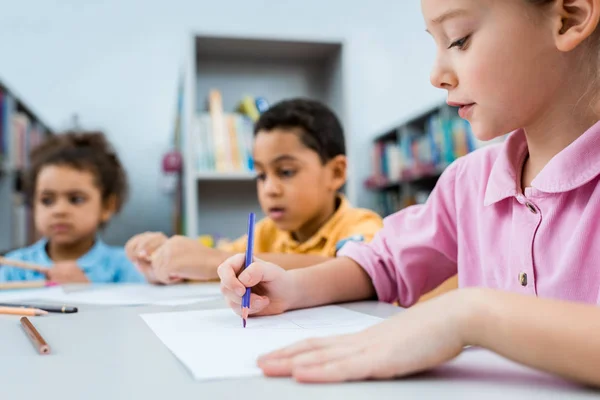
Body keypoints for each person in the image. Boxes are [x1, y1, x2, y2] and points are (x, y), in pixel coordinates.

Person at [218, 0, 600, 386]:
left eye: (458, 40)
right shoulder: (467, 181)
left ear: (569, 17)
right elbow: (383, 265)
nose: (436, 75)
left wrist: (469, 316)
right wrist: (293, 288)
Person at [126, 99, 383, 284]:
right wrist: (166, 265)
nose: (269, 189)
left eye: (286, 172)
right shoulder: (265, 233)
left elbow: (358, 271)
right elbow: (217, 265)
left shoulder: (361, 225)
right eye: (260, 175)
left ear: (336, 172)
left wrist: (211, 260)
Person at [0, 131, 144, 283]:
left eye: (76, 199)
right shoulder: (13, 268)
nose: (59, 211)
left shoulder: (128, 267)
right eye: (47, 201)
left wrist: (87, 292)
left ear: (107, 206)